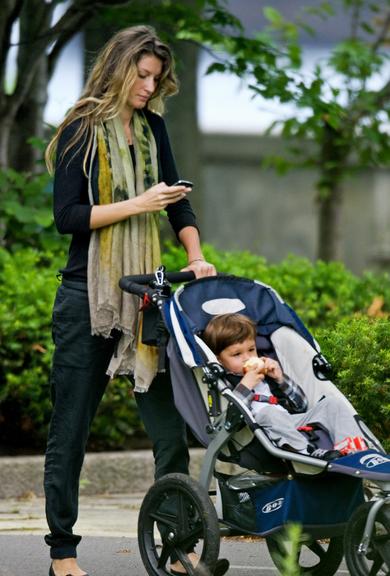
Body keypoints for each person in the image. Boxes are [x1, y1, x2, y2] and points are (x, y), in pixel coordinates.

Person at [44, 25, 229, 576]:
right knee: (71, 428)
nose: (149, 86)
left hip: (148, 296)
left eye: (156, 78)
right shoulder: (81, 129)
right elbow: (68, 218)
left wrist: (195, 255)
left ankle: (176, 548)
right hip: (88, 296)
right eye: (141, 75)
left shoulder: (152, 129)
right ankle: (61, 553)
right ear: (119, 67)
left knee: (168, 429)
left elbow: (177, 205)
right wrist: (137, 202)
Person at [202, 313, 373, 460]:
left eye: (251, 349)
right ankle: (307, 453)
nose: (247, 358)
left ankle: (353, 450)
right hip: (258, 432)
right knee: (269, 413)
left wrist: (280, 380)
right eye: (237, 354)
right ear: (219, 360)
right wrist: (246, 384)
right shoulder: (227, 381)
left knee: (332, 404)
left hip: (290, 422)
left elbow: (301, 406)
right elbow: (232, 417)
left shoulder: (266, 375)